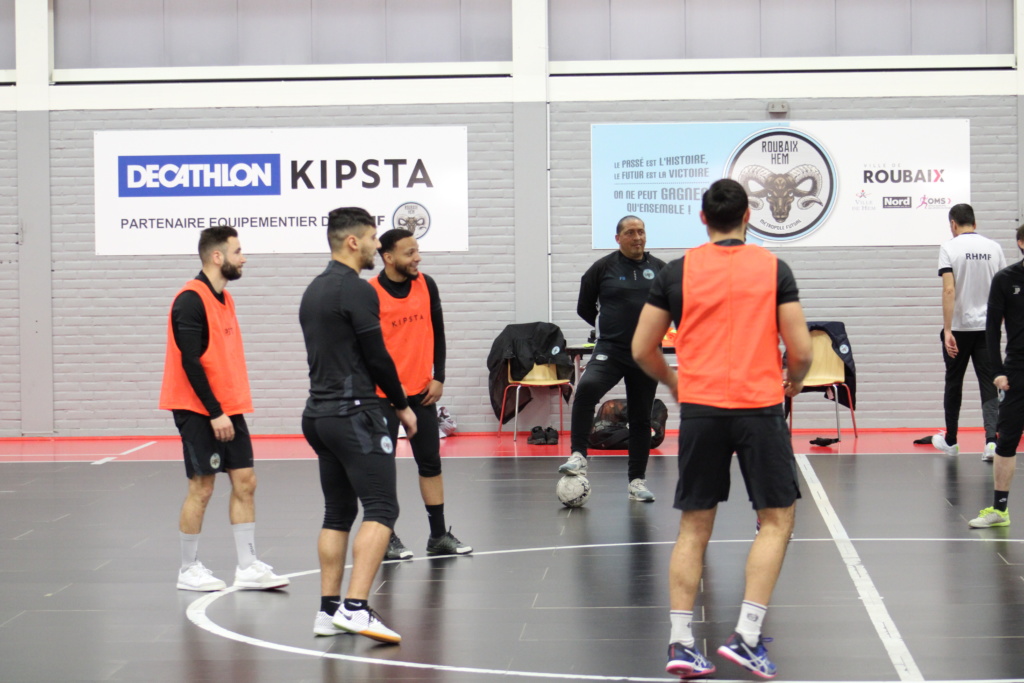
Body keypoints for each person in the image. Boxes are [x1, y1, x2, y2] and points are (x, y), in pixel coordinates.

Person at [632, 179, 813, 679]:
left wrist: (675, 383)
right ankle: (747, 637)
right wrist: (795, 381)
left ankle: (680, 643)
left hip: (702, 410)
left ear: (703, 218)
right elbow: (800, 351)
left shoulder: (676, 271)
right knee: (776, 520)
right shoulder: (773, 268)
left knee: (693, 528)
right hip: (759, 409)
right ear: (748, 215)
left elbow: (642, 347)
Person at [299, 207, 418, 643]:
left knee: (338, 512)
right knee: (383, 508)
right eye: (371, 238)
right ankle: (355, 608)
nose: (375, 246)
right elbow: (377, 356)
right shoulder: (357, 290)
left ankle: (327, 611)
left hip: (319, 415)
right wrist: (402, 405)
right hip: (355, 414)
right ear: (353, 241)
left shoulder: (313, 290)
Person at [160, 225, 289, 593]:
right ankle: (188, 569)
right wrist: (215, 412)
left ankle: (248, 566)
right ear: (217, 256)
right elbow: (190, 362)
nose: (243, 258)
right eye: (237, 251)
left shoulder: (225, 299)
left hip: (228, 408)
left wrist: (226, 410)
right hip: (198, 409)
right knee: (202, 487)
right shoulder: (190, 299)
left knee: (246, 481)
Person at [370, 228, 472, 560]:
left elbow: (438, 333)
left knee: (430, 463)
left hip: (421, 393)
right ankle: (386, 538)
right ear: (388, 257)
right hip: (382, 397)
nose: (418, 258)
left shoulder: (426, 284)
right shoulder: (370, 293)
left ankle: (438, 535)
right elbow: (366, 350)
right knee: (382, 469)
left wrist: (439, 377)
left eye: (417, 251)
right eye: (409, 253)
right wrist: (387, 388)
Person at [558, 215, 666, 502]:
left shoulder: (660, 269)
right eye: (630, 232)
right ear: (618, 238)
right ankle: (579, 455)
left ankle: (637, 482)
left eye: (641, 231)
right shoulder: (603, 268)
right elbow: (584, 307)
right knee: (586, 389)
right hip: (611, 349)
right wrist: (609, 325)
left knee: (641, 417)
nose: (637, 237)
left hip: (646, 354)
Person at [932, 203, 1005, 461]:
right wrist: (999, 323)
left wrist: (948, 329)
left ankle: (951, 440)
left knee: (954, 382)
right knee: (989, 383)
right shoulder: (994, 248)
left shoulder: (949, 248)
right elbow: (1002, 289)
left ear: (953, 224)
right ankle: (991, 442)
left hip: (959, 329)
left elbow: (949, 290)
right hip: (987, 329)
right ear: (975, 223)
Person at [975, 223, 1024, 527]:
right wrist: (996, 371)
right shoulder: (1006, 279)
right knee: (1006, 442)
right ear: (1021, 243)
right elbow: (991, 329)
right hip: (1018, 372)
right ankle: (1000, 510)